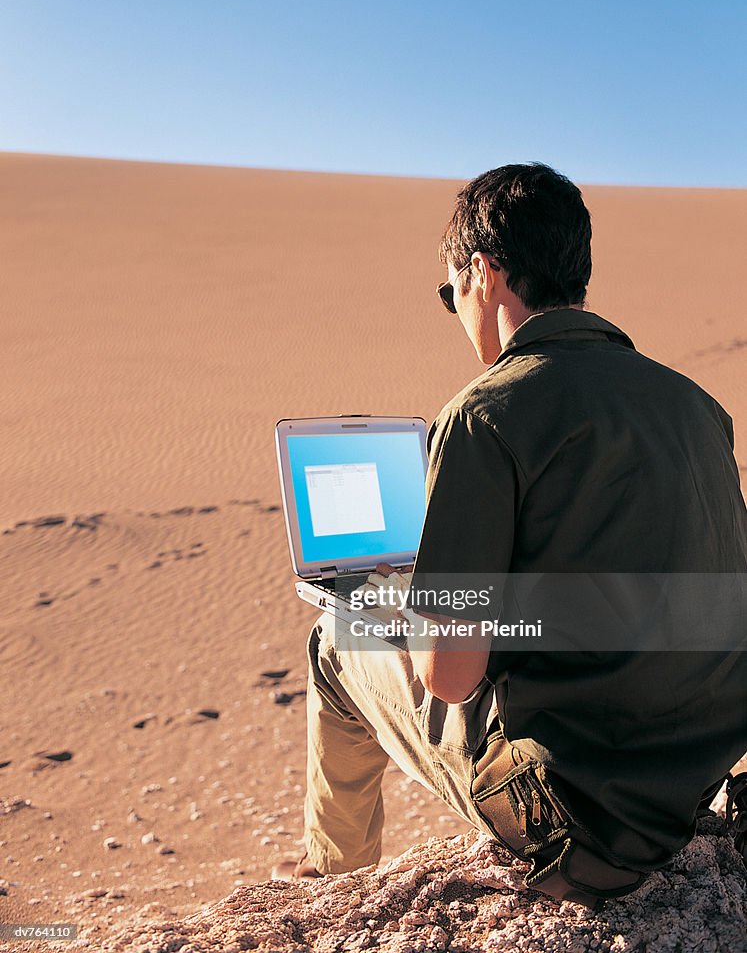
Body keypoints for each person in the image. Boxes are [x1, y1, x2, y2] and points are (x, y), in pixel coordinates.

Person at [274, 163, 747, 906]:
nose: (454, 307)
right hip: (693, 790)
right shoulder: (695, 406)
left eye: (447, 291)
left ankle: (331, 883)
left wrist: (408, 611)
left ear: (482, 272)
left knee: (336, 643)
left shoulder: (485, 414)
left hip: (575, 826)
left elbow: (450, 678)